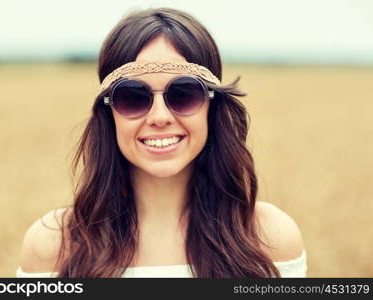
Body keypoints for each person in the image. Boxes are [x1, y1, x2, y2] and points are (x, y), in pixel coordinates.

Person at [17, 8, 307, 278]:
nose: (159, 116)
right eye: (132, 96)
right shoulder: (53, 246)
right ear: (108, 112)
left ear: (212, 107)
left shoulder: (269, 238)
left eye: (184, 93)